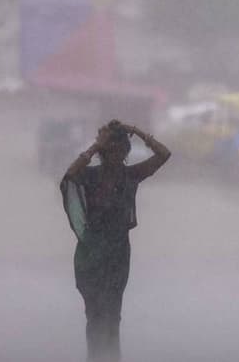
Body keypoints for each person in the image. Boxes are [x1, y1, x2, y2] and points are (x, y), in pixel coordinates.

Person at [61, 119, 171, 362]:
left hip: (118, 255)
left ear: (125, 153)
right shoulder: (89, 176)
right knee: (94, 315)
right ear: (103, 153)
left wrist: (135, 130)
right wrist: (95, 145)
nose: (116, 156)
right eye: (111, 151)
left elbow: (164, 154)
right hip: (90, 255)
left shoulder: (130, 175)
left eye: (120, 151)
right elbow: (69, 176)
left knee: (112, 315)